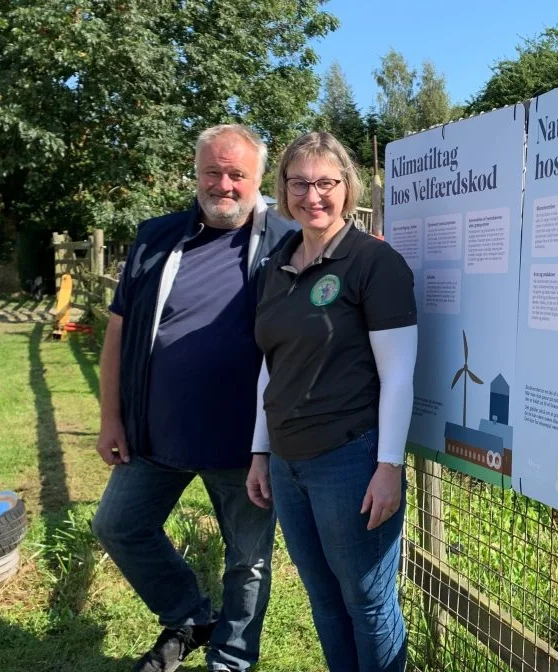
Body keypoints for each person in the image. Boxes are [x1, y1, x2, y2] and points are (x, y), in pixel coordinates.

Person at [92, 123, 296, 672]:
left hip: (245, 444)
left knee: (248, 561)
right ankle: (188, 616)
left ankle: (229, 661)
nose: (223, 184)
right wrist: (111, 417)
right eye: (213, 171)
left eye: (237, 174)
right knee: (118, 525)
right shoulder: (156, 237)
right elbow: (118, 331)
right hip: (154, 433)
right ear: (197, 172)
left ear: (258, 180)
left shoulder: (287, 240)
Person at [246, 131, 417, 672]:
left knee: (367, 603)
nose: (312, 195)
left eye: (326, 182)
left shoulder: (375, 263)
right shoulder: (276, 263)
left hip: (349, 460)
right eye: (299, 183)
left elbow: (399, 373)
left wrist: (388, 466)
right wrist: (260, 451)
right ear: (283, 189)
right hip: (289, 464)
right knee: (324, 600)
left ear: (348, 187)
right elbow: (269, 365)